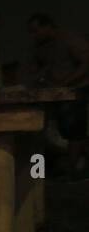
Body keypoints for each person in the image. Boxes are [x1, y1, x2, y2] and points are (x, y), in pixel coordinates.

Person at [28, 13, 89, 177]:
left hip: (74, 91)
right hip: (52, 94)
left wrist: (67, 81)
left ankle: (72, 169)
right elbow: (37, 67)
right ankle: (40, 172)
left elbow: (86, 61)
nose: (34, 35)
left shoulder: (69, 39)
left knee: (74, 131)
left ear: (47, 26)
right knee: (42, 130)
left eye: (36, 30)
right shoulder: (41, 46)